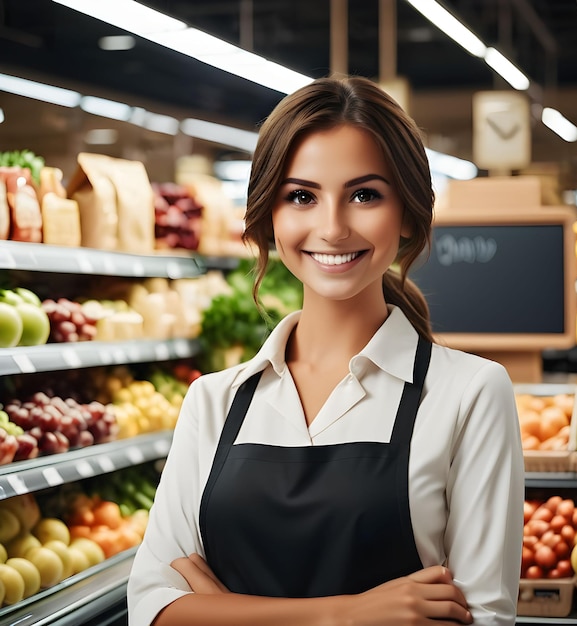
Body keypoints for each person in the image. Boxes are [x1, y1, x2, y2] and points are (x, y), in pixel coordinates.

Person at [127, 75, 524, 626]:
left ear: (406, 212)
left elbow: (481, 618)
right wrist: (346, 614)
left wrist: (221, 611)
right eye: (301, 196)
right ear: (270, 215)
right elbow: (151, 608)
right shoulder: (213, 401)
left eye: (364, 195)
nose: (332, 227)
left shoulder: (470, 394)